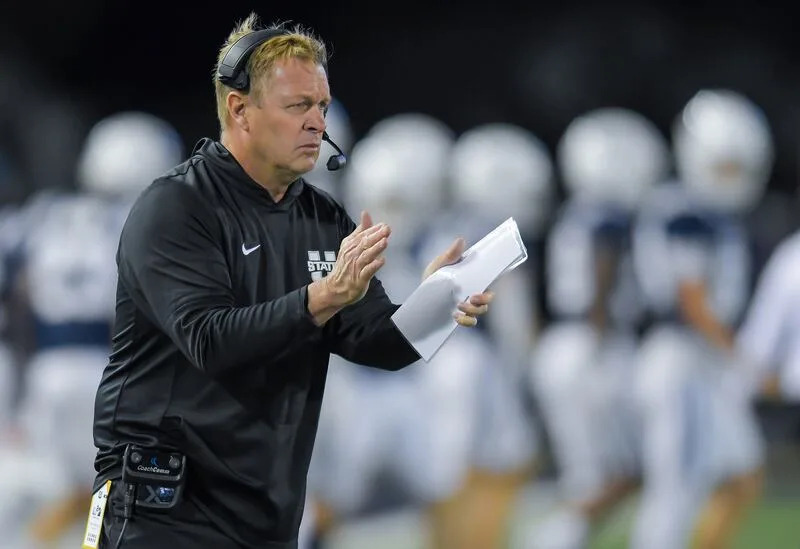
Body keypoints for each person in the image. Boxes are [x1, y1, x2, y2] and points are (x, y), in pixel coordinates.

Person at [89, 14, 494, 549]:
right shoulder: (177, 207)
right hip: (163, 509)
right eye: (298, 106)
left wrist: (438, 300)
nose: (317, 124)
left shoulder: (323, 221)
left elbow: (377, 342)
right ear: (240, 109)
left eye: (322, 106)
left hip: (265, 515)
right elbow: (209, 341)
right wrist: (322, 297)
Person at [630, 89, 771, 549]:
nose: (733, 178)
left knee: (742, 477)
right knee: (676, 490)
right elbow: (691, 299)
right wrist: (745, 360)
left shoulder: (709, 212)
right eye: (724, 165)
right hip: (681, 358)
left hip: (701, 360)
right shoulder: (685, 209)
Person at [527, 107, 669, 549]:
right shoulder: (606, 213)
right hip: (592, 345)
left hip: (568, 344)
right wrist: (601, 340)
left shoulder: (576, 211)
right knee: (632, 471)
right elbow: (601, 271)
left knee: (603, 478)